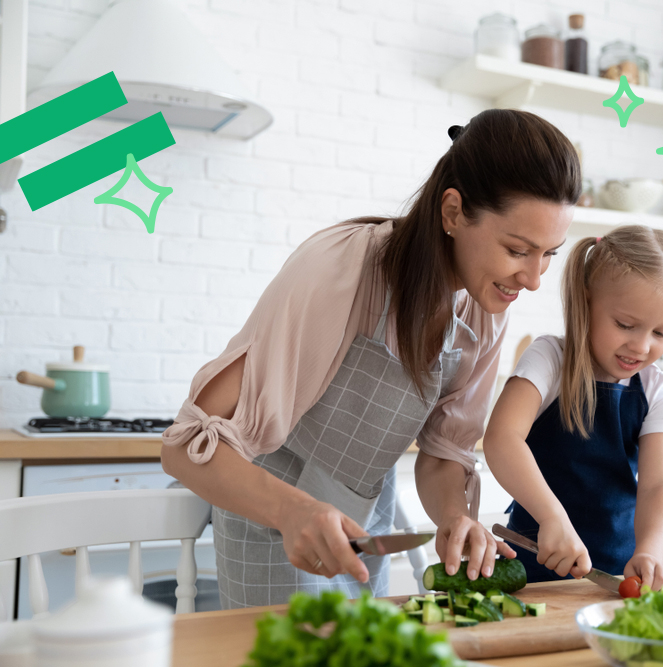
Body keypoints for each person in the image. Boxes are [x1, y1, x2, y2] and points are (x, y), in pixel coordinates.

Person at [160, 109, 581, 608]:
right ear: (452, 212)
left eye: (549, 254)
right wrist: (293, 511)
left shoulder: (485, 308)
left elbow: (445, 453)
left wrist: (453, 518)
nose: (533, 279)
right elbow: (184, 447)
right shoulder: (341, 269)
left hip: (366, 530)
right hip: (274, 525)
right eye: (518, 250)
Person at [483, 225, 663, 591]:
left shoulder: (655, 389)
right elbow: (502, 438)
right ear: (586, 301)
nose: (642, 347)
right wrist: (552, 517)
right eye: (626, 325)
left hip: (615, 576)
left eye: (661, 333)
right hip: (531, 571)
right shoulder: (549, 359)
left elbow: (657, 487)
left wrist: (651, 552)